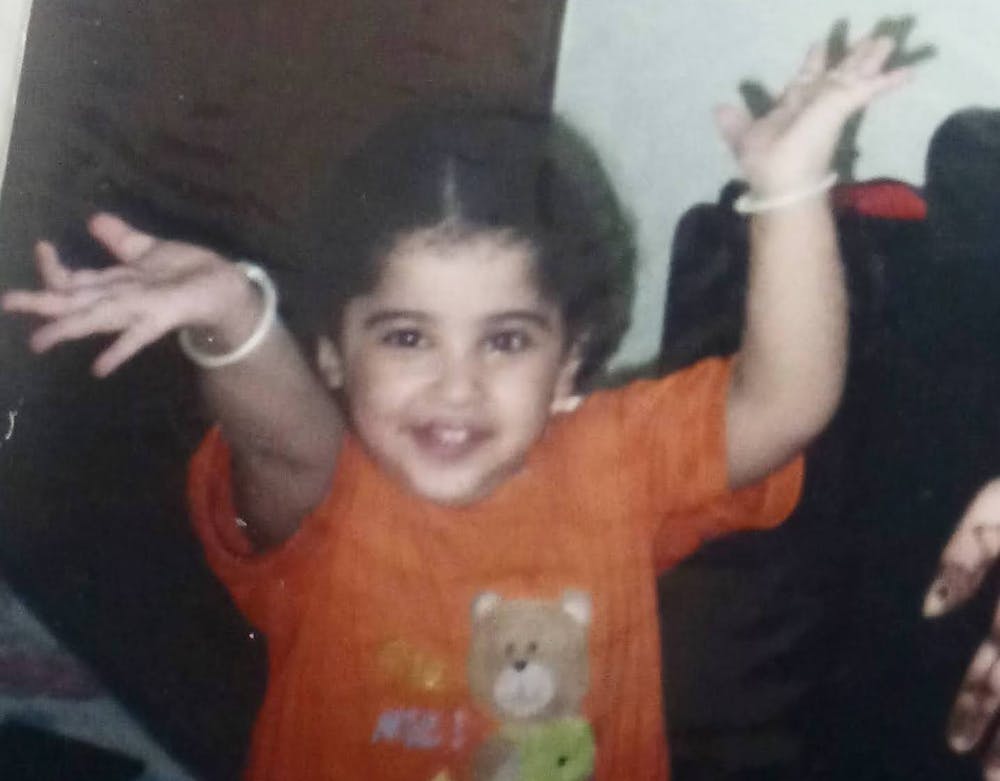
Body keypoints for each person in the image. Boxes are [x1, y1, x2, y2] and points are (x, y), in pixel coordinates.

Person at [2, 36, 909, 781]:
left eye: (506, 340)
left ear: (568, 362)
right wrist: (234, 317)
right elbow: (280, 442)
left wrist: (790, 188)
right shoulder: (332, 485)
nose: (456, 385)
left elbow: (784, 403)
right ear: (333, 356)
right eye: (406, 337)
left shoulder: (619, 456)